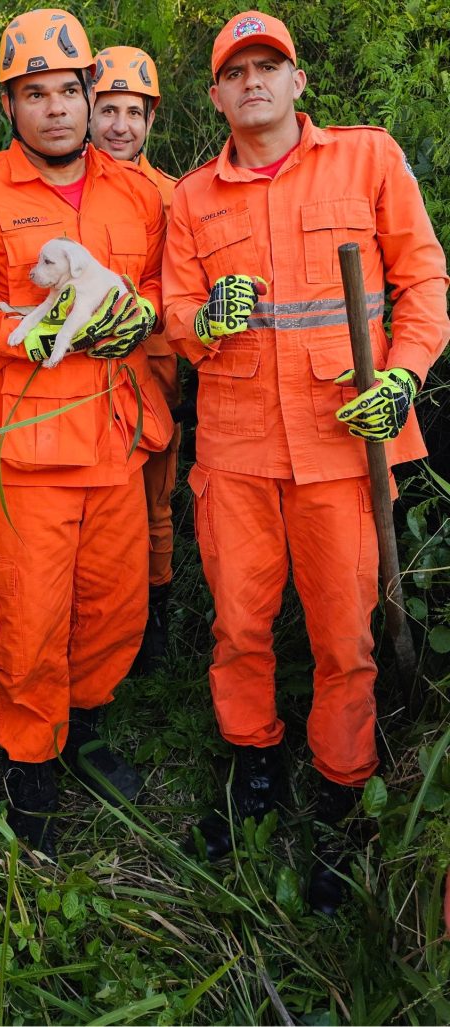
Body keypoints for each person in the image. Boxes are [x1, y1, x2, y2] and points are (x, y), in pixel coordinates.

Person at [163, 11, 449, 911]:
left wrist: (402, 377)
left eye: (268, 67)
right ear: (216, 95)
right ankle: (254, 765)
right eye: (236, 71)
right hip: (237, 451)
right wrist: (205, 320)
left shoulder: (367, 160)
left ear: (297, 83)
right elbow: (175, 312)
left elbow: (424, 280)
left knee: (343, 636)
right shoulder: (190, 197)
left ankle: (339, 789)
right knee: (240, 626)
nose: (253, 81)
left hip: (341, 444)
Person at [0, 9, 173, 857]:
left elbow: (171, 297)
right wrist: (21, 328)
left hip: (120, 440)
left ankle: (88, 725)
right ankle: (31, 764)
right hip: (26, 453)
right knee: (27, 619)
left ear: (92, 94)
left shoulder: (140, 192)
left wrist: (144, 316)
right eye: (36, 94)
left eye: (70, 90)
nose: (57, 108)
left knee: (113, 607)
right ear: (9, 105)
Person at [90, 46, 180, 673]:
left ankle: (155, 617)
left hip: (157, 367)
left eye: (134, 112)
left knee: (156, 498)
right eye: (108, 109)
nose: (121, 125)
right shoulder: (71, 183)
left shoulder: (175, 196)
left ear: (151, 120)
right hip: (87, 376)